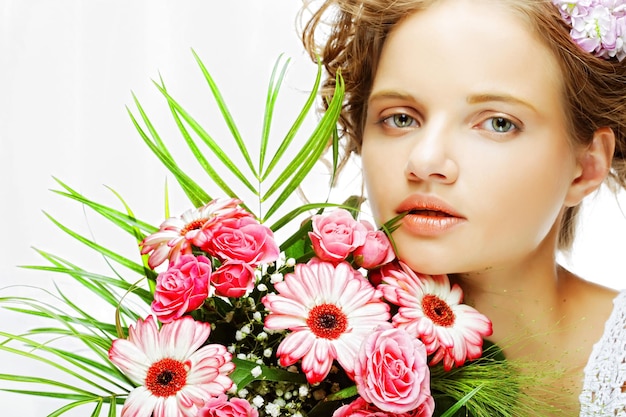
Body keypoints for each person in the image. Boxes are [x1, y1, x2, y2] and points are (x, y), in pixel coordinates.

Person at [301, 0, 626, 415]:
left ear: (585, 167)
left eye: (498, 123)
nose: (426, 161)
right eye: (400, 118)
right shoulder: (307, 340)